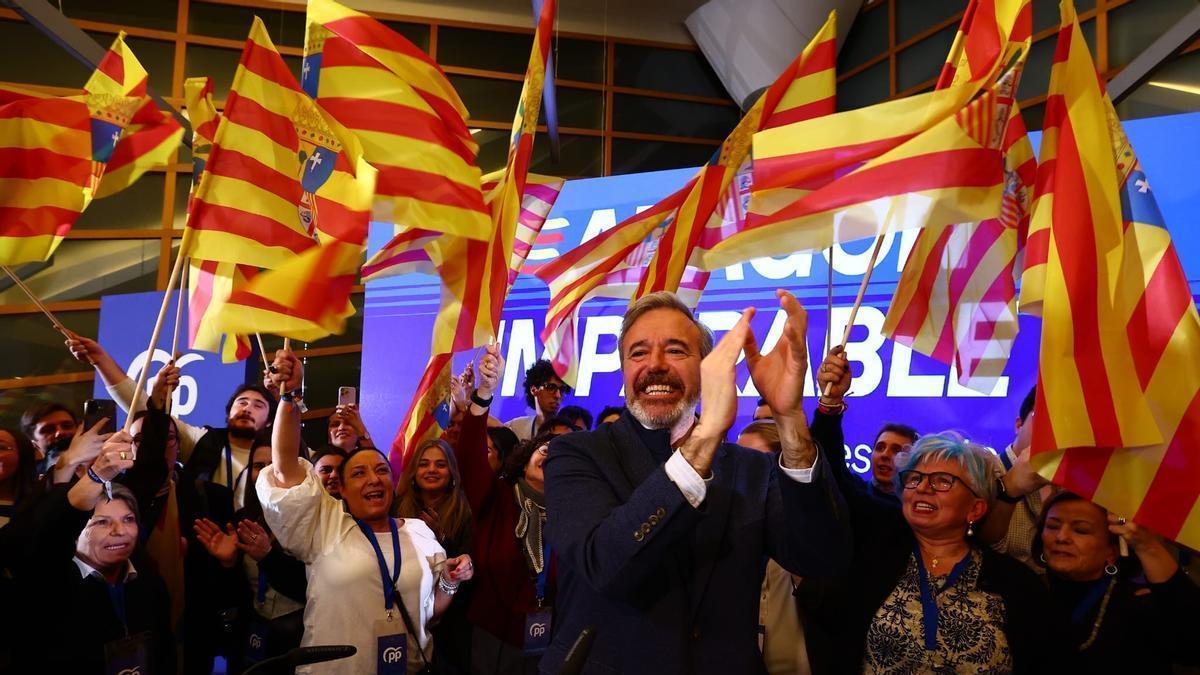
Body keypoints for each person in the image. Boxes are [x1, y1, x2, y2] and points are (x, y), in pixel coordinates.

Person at [541, 290, 851, 674]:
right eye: (638, 353)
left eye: (675, 351)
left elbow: (822, 558)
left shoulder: (754, 469)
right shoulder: (576, 454)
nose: (655, 365)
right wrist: (705, 438)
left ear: (706, 367)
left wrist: (789, 417)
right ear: (622, 370)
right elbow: (605, 565)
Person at [798, 347, 1064, 674]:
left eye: (942, 481)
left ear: (976, 506)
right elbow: (833, 475)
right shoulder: (875, 545)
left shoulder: (1015, 584)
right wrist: (830, 405)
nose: (923, 487)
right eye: (915, 478)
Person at [68, 332, 278, 673]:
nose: (248, 408)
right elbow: (142, 412)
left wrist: (289, 397)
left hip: (251, 579)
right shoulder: (201, 444)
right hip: (178, 588)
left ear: (270, 419)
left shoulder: (284, 458)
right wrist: (105, 363)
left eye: (259, 404)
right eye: (242, 402)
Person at [257, 347, 474, 674]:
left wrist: (452, 580)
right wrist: (289, 397)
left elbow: (430, 611)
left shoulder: (419, 531)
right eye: (358, 473)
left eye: (382, 471)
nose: (373, 478)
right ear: (340, 489)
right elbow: (285, 466)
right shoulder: (326, 523)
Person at [16, 432, 175, 674]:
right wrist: (89, 472)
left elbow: (164, 654)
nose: (120, 531)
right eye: (101, 522)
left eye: (129, 519)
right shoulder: (47, 583)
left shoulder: (150, 582)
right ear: (76, 529)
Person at [452, 344, 561, 674]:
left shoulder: (575, 512)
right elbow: (470, 457)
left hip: (554, 637)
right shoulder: (498, 496)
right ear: (525, 457)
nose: (549, 454)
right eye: (543, 448)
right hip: (493, 636)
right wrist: (483, 393)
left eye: (561, 454)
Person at [1035, 492, 1200, 673]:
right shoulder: (1027, 590)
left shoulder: (1138, 603)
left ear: (1112, 552)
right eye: (1052, 526)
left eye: (1081, 530)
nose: (1061, 537)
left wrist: (1146, 545)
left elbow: (1191, 649)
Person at [194, 436, 307, 672]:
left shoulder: (317, 520)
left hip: (303, 641)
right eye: (258, 466)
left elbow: (311, 588)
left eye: (276, 463)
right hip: (251, 641)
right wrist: (228, 564)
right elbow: (234, 597)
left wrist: (268, 557)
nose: (267, 472)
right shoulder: (242, 519)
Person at [736, 419, 810, 675]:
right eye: (738, 462)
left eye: (755, 462)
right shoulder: (729, 526)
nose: (742, 472)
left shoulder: (809, 531)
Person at [396, 438, 475, 673]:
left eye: (440, 465)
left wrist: (439, 539)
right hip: (404, 614)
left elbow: (467, 570)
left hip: (450, 623)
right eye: (424, 464)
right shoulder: (395, 507)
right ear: (413, 472)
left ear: (452, 472)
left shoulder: (466, 512)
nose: (431, 470)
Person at [978, 386, 1056, 570]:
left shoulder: (1084, 483)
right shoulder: (980, 472)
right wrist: (1009, 488)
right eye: (1045, 420)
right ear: (1019, 425)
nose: (1053, 433)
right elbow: (974, 545)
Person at [506, 359, 570, 441]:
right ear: (533, 390)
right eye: (550, 387)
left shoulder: (568, 432)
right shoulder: (516, 428)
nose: (558, 395)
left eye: (562, 389)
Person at [865, 422, 918, 507]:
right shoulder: (852, 491)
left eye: (896, 451)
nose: (884, 455)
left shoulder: (917, 511)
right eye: (880, 448)